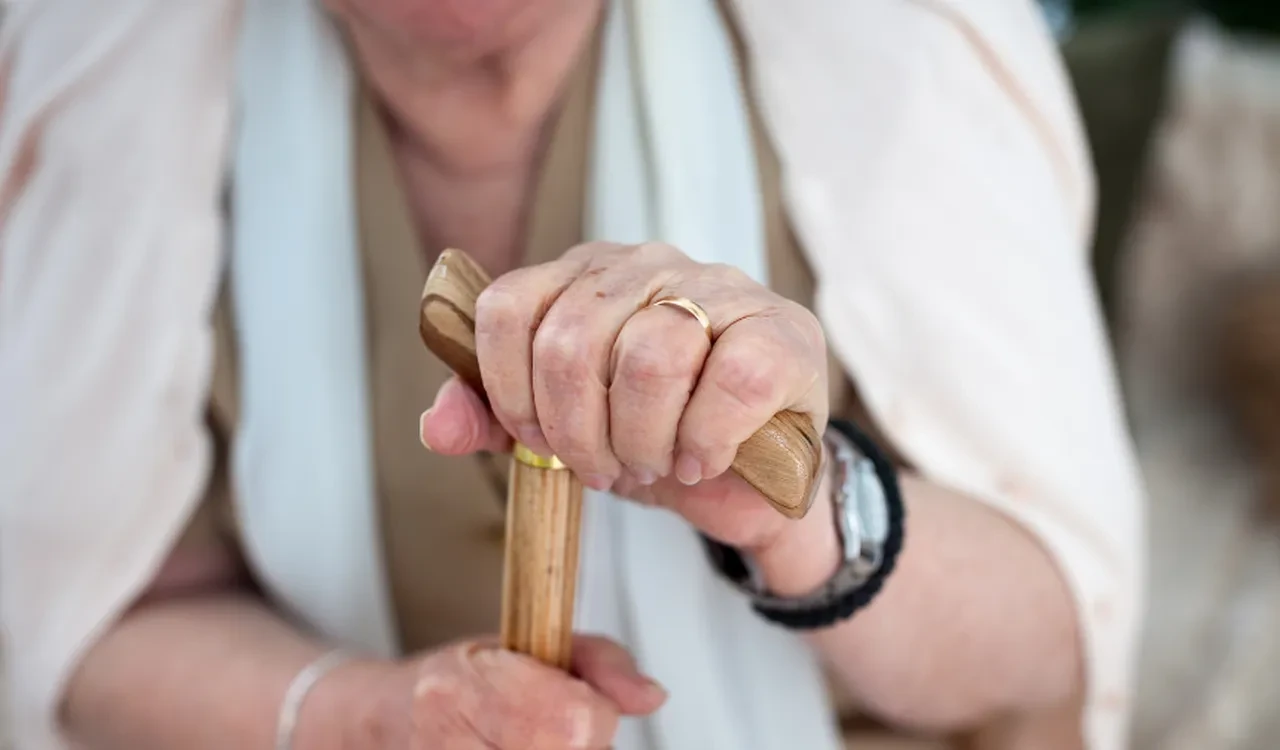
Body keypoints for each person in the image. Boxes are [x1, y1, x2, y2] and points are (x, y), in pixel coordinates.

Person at [0, 1, 1144, 749]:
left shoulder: (886, 42)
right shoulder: (113, 67)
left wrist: (801, 513)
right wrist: (361, 720)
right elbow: (89, 619)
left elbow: (1054, 633)